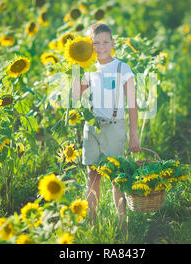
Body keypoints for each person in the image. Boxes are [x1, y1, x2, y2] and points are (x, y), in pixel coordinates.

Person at [72, 23, 141, 234]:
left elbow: (132, 105)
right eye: (96, 43)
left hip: (114, 128)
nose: (101, 47)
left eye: (105, 42)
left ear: (112, 43)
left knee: (116, 178)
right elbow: (75, 95)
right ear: (90, 46)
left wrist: (134, 135)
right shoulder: (89, 69)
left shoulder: (122, 68)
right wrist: (75, 65)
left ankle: (122, 223)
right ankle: (92, 223)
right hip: (92, 129)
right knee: (92, 176)